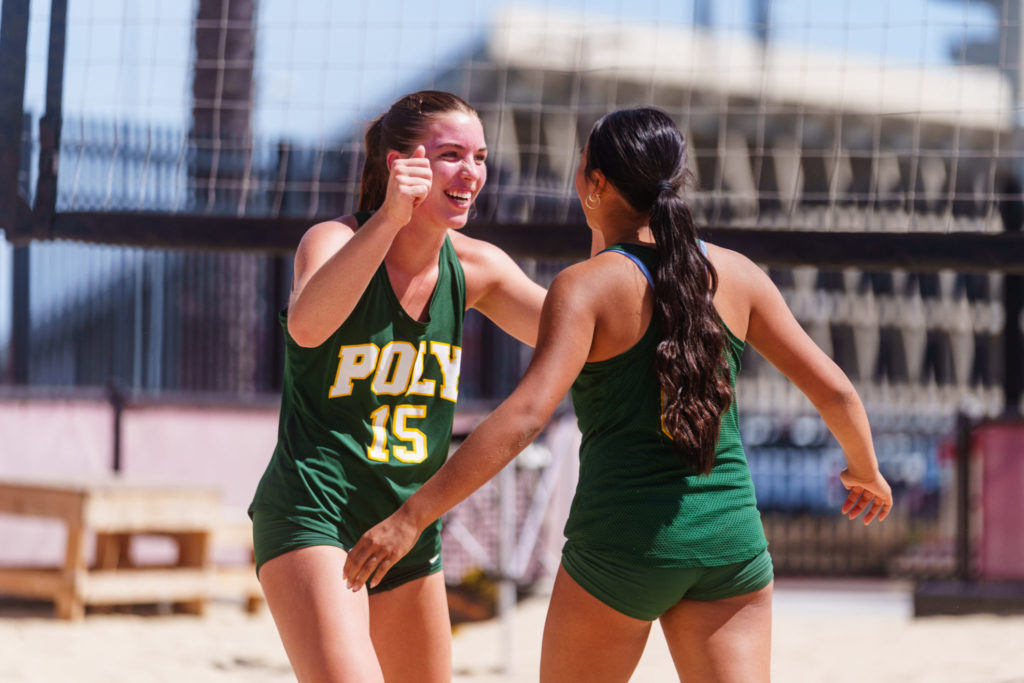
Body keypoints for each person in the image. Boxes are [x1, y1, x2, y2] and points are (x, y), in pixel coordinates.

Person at [342, 106, 894, 682]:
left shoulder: (585, 288)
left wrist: (413, 517)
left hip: (623, 544)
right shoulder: (736, 274)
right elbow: (835, 392)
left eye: (582, 166)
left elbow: (524, 418)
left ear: (597, 183)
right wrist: (866, 471)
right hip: (730, 543)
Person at [248, 90, 547, 683]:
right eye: (451, 155)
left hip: (408, 523)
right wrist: (389, 218)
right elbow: (306, 328)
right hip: (316, 511)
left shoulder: (478, 267)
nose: (471, 172)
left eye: (480, 157)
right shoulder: (332, 241)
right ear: (400, 164)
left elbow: (582, 334)